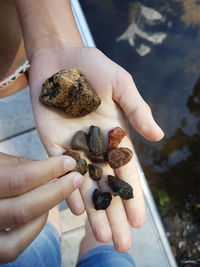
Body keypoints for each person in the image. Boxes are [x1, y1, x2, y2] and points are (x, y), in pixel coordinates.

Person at [0, 0, 164, 266]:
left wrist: (55, 40)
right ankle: (60, 224)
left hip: (8, 57)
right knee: (109, 256)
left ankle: (49, 218)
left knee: (34, 243)